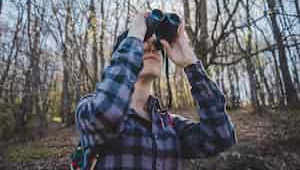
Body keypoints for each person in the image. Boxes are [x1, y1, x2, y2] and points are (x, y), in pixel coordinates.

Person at [75, 12, 236, 170]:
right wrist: (135, 36)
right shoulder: (89, 106)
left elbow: (220, 137)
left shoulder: (170, 125)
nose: (151, 48)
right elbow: (107, 113)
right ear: (126, 53)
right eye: (143, 43)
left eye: (157, 46)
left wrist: (191, 64)